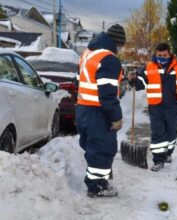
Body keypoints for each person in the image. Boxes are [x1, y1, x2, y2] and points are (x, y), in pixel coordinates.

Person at [128, 43, 177, 172]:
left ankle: (168, 152)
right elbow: (141, 82)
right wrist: (133, 80)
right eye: (159, 55)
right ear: (156, 54)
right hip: (156, 107)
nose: (162, 57)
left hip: (173, 106)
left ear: (169, 54)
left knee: (171, 132)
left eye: (164, 55)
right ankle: (158, 160)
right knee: (158, 133)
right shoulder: (149, 67)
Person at [76, 24, 126, 197]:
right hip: (98, 112)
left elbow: (79, 81)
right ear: (117, 43)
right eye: (120, 46)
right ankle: (96, 187)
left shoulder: (88, 53)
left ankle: (99, 182)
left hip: (83, 109)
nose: (120, 50)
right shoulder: (109, 58)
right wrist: (116, 116)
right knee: (103, 149)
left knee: (94, 148)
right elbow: (107, 94)